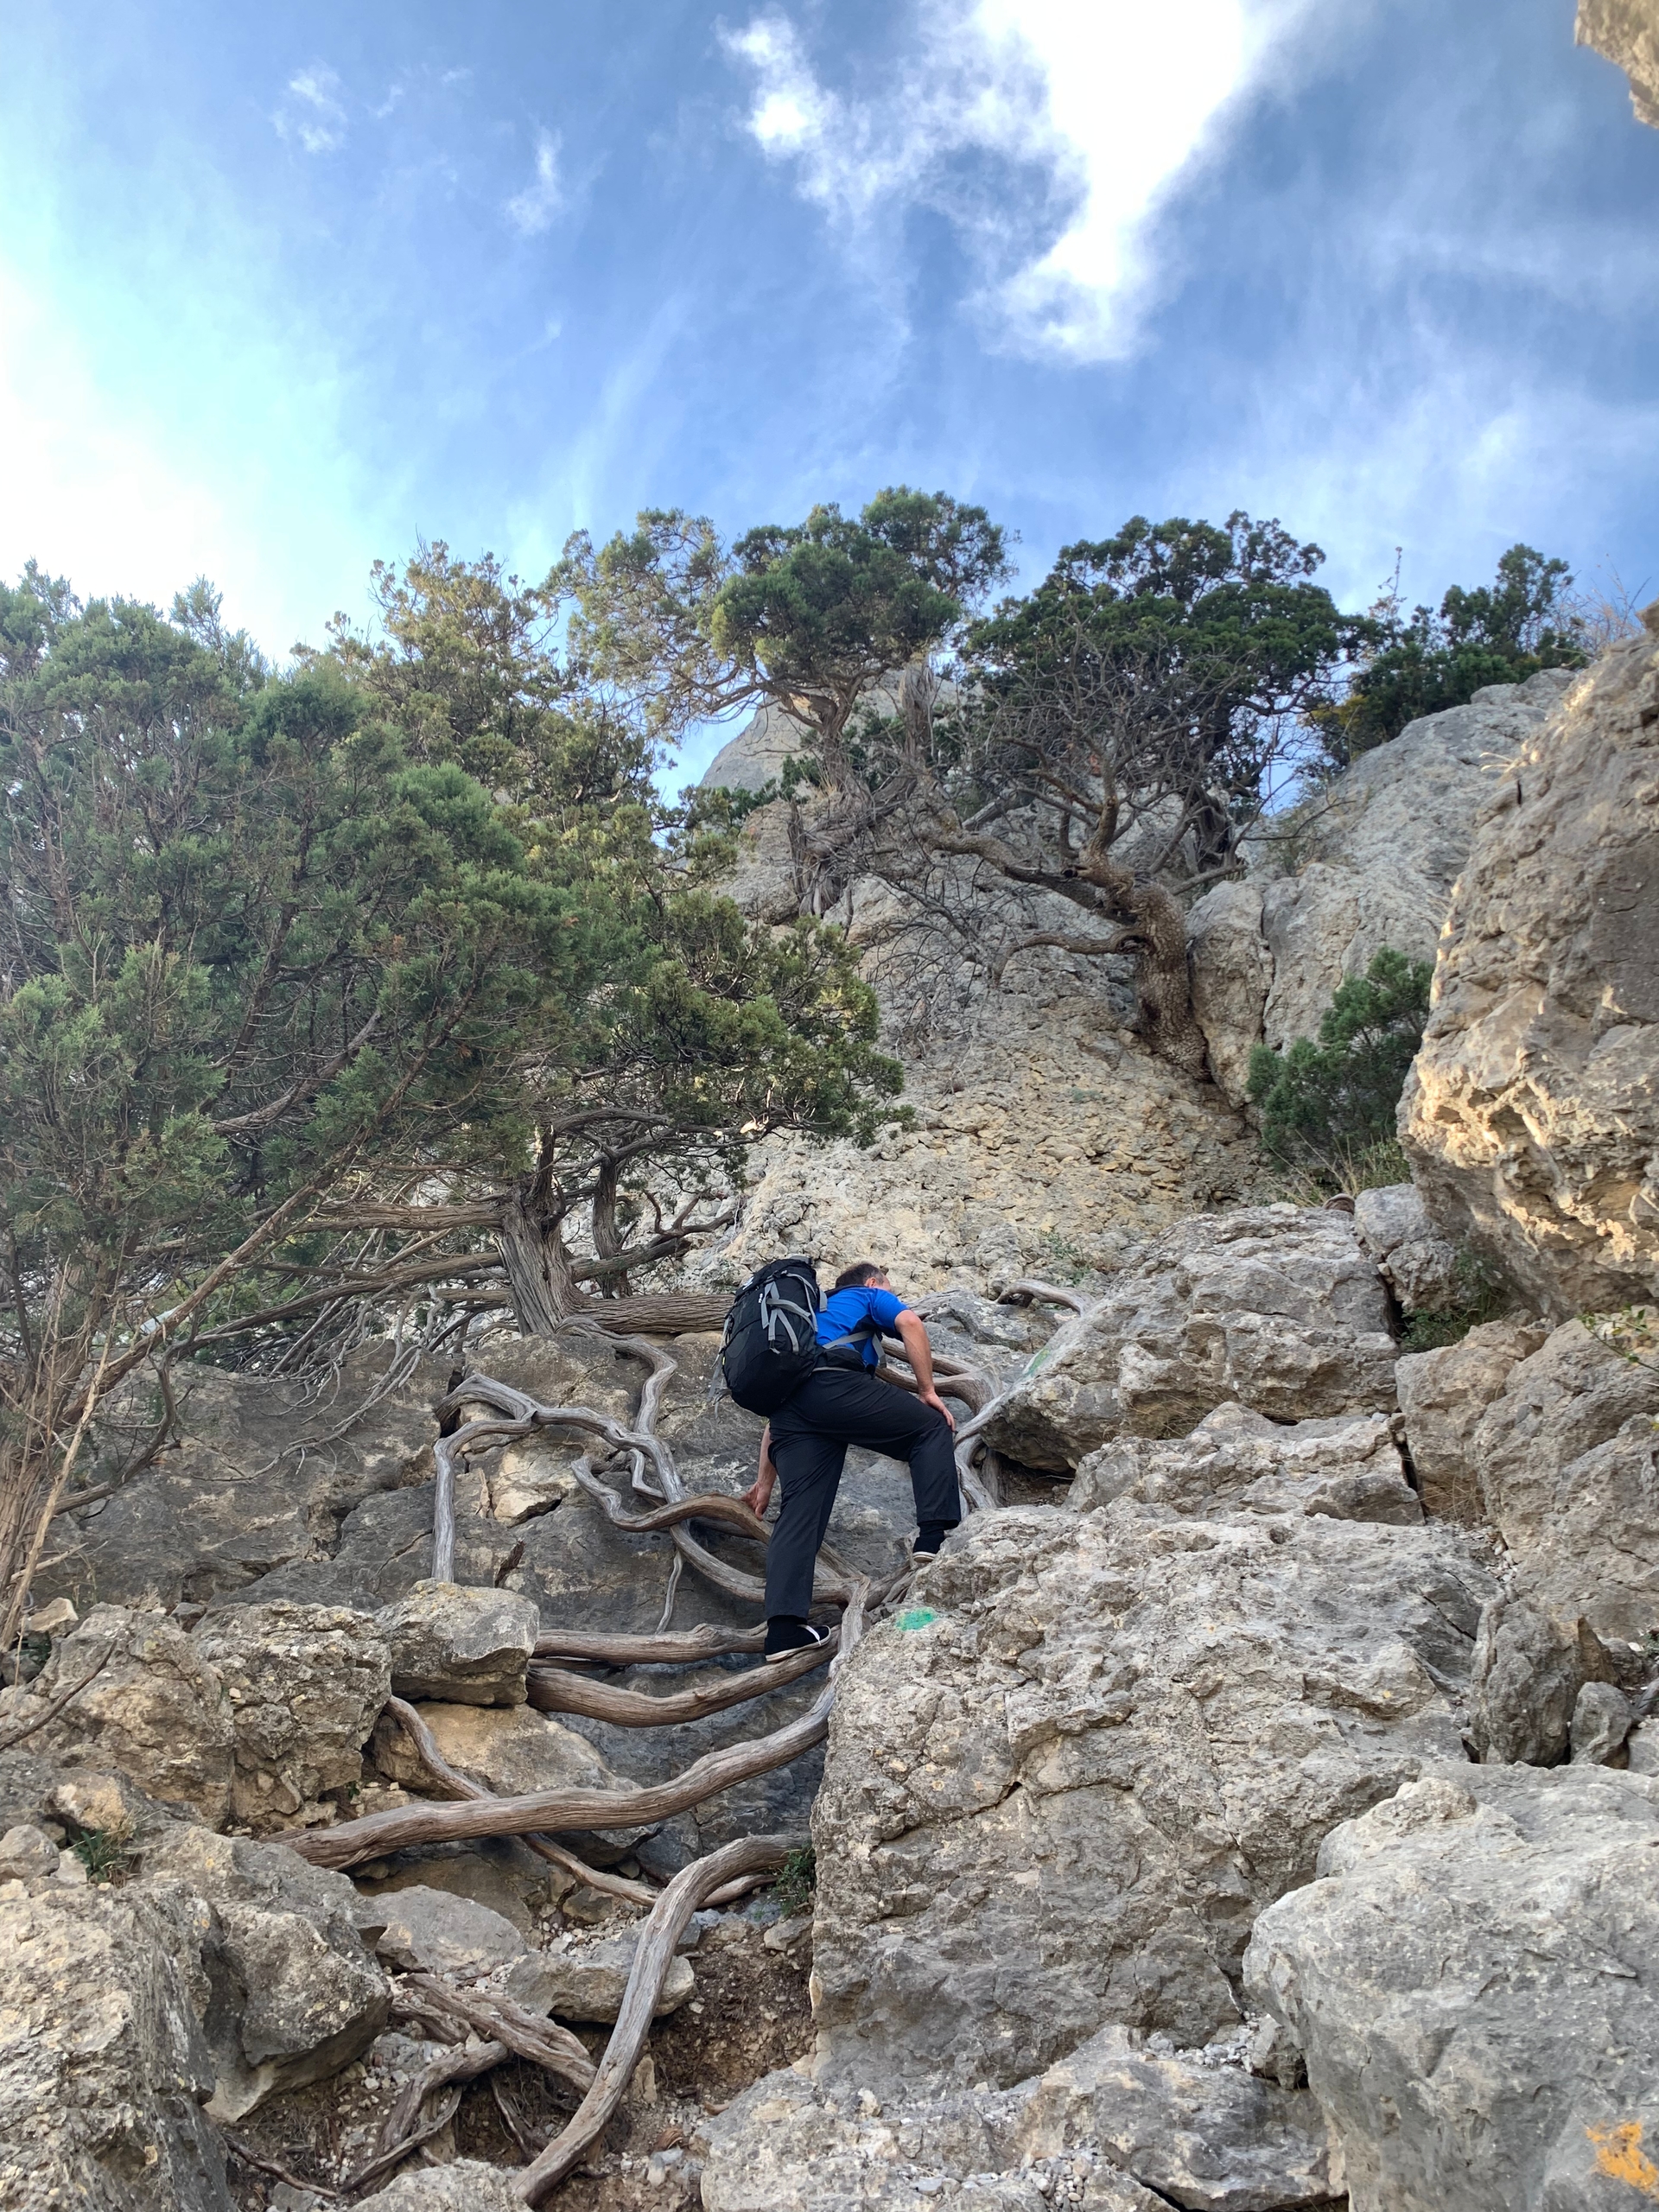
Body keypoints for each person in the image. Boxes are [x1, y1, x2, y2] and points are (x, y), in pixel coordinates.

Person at [741, 1260, 960, 1660]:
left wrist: (764, 1483)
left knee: (799, 1514)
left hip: (791, 1412)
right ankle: (933, 1538)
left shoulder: (808, 1318)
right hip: (834, 1387)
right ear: (874, 1282)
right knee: (930, 1427)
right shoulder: (866, 1295)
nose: (893, 1295)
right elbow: (911, 1323)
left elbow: (775, 1421)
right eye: (890, 1288)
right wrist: (927, 1390)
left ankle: (783, 1633)